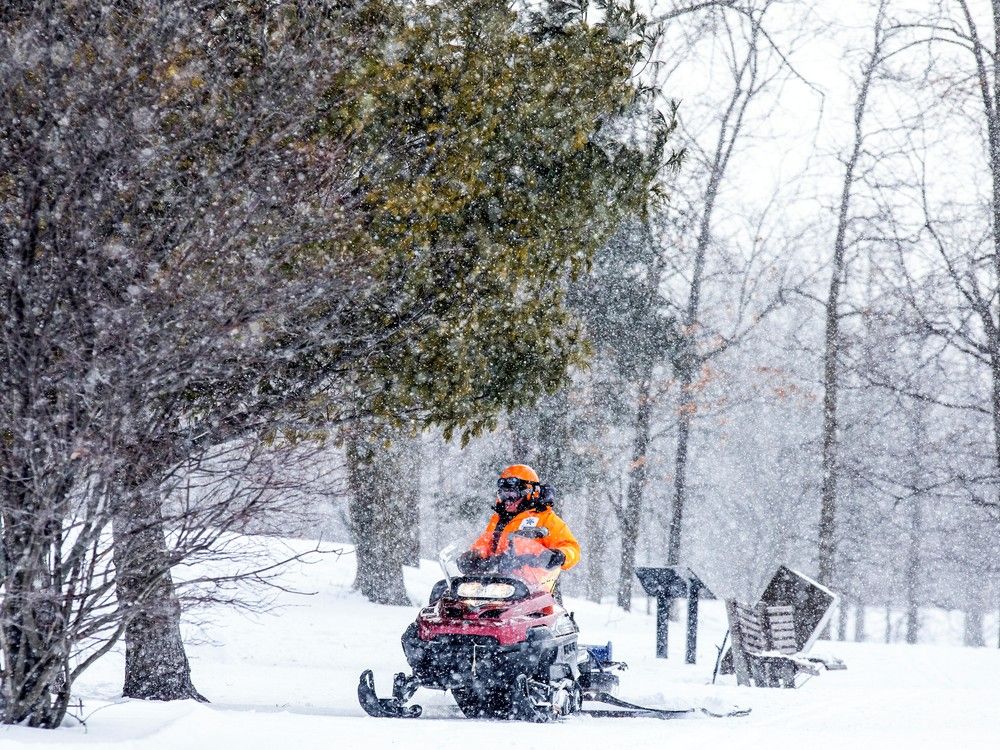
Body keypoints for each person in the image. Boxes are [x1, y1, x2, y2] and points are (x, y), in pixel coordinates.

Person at [457, 464, 580, 578]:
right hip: (498, 583)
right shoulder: (499, 519)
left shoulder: (546, 519)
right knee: (448, 591)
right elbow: (485, 543)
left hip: (533, 588)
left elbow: (571, 548)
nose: (507, 500)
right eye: (503, 494)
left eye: (512, 494)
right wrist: (473, 555)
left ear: (528, 492)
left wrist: (561, 555)